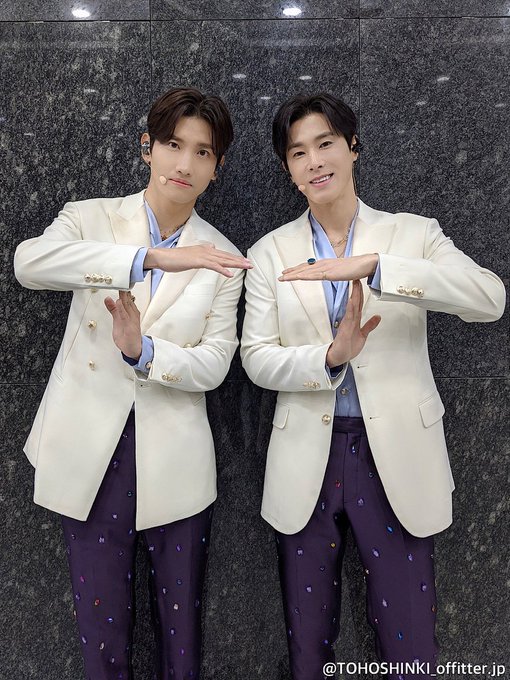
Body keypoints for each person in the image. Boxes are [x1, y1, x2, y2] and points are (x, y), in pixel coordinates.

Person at [240, 92, 505, 680]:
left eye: (326, 143)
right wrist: (330, 357)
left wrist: (379, 268)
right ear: (287, 168)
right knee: (308, 644)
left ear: (353, 147)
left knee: (410, 646)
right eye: (298, 152)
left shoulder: (413, 234)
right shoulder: (269, 253)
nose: (315, 161)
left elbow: (489, 298)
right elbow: (256, 359)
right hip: (306, 455)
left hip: (398, 455)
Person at [14, 86, 252, 680]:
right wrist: (146, 260)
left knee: (181, 637)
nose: (184, 163)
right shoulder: (90, 217)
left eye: (202, 152)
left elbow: (214, 364)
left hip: (175, 456)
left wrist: (142, 352)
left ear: (217, 167)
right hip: (88, 451)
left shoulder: (224, 256)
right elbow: (29, 264)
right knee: (101, 635)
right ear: (147, 147)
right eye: (172, 144)